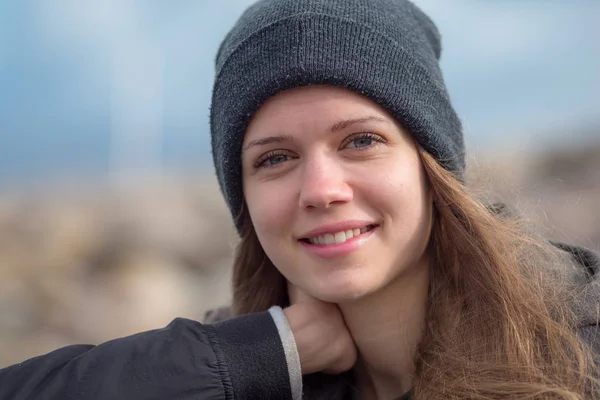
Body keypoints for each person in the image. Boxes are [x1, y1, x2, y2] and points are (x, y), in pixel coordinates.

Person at [1, 0, 599, 399]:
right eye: (275, 158)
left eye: (360, 141)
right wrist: (256, 357)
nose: (320, 190)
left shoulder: (578, 342)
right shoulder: (243, 361)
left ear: (432, 167)